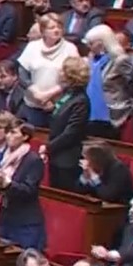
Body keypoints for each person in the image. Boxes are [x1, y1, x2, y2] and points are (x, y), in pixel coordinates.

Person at [0, 121, 47, 249]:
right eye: (8, 132)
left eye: (13, 133)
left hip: (25, 222)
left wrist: (8, 183)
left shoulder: (33, 160)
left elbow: (29, 190)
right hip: (5, 216)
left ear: (25, 136)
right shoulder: (4, 157)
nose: (8, 136)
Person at [83, 25, 133, 140]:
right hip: (90, 110)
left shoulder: (120, 59)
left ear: (102, 43)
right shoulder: (92, 58)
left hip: (110, 113)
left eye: (91, 43)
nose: (89, 47)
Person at [44, 57, 91, 189]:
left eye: (63, 70)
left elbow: (71, 133)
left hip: (68, 159)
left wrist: (49, 147)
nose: (59, 72)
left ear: (71, 75)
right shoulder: (68, 95)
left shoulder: (81, 101)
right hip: (57, 156)